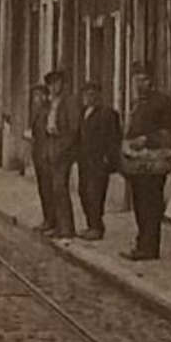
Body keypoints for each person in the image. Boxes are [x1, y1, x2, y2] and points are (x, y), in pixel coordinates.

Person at [119, 61, 171, 261]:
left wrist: (145, 140)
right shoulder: (138, 104)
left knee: (150, 205)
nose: (138, 83)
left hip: (154, 163)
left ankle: (150, 247)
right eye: (136, 79)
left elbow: (170, 134)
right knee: (139, 204)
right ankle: (141, 243)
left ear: (151, 80)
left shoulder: (162, 103)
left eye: (143, 79)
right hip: (138, 163)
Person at [76, 81, 121, 240]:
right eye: (86, 94)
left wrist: (109, 159)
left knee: (95, 194)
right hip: (84, 161)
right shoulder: (83, 113)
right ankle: (90, 224)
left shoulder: (107, 113)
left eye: (92, 94)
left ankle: (97, 227)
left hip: (99, 161)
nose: (88, 97)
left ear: (99, 96)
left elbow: (114, 138)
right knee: (83, 192)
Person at [42, 70, 79, 240]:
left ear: (62, 84)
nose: (53, 87)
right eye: (50, 84)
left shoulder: (69, 102)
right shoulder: (52, 102)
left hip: (62, 148)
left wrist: (62, 149)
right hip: (51, 144)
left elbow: (73, 130)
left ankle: (67, 228)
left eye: (56, 83)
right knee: (53, 189)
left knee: (60, 188)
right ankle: (58, 225)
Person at [28, 84, 55, 232]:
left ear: (44, 96)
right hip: (39, 156)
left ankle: (51, 220)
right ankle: (47, 219)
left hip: (46, 156)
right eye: (34, 97)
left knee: (48, 189)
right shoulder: (38, 112)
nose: (35, 100)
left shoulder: (49, 111)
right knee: (43, 189)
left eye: (38, 96)